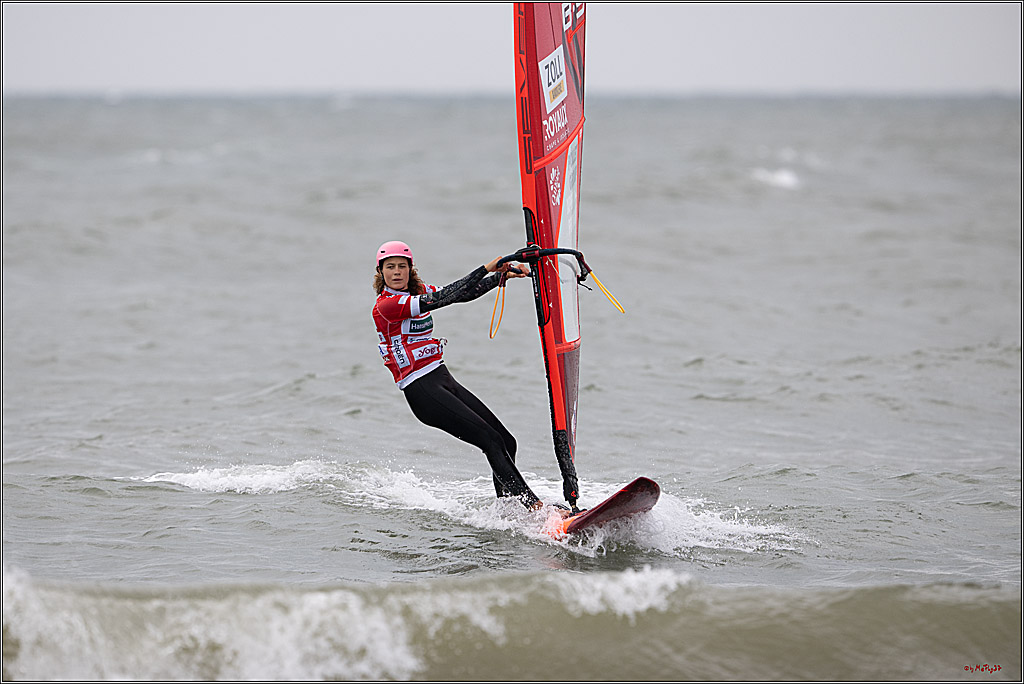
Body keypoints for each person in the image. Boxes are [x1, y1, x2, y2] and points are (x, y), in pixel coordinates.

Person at [371, 240, 549, 511]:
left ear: (410, 269)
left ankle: (506, 512)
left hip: (442, 379)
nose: (396, 272)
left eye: (402, 267)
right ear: (381, 272)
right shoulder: (387, 306)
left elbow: (463, 294)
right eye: (390, 267)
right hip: (422, 391)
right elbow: (445, 298)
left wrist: (501, 277)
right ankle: (536, 508)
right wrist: (486, 268)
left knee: (507, 442)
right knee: (490, 441)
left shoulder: (417, 293)